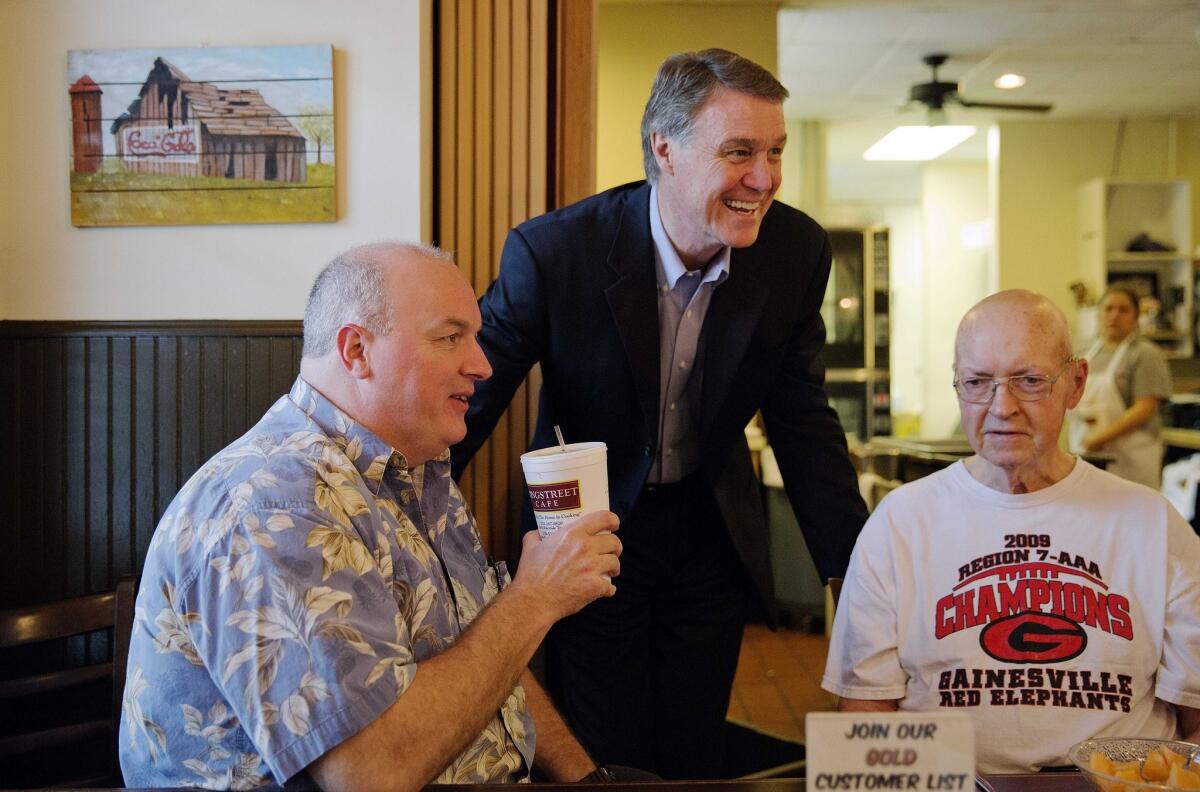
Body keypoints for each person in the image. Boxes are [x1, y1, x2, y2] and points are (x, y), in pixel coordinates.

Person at [451, 48, 868, 779]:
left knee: (691, 748)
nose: (764, 179)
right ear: (665, 149)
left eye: (775, 153)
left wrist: (859, 575)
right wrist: (388, 508)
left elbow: (802, 418)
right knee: (600, 747)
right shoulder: (555, 253)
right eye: (739, 152)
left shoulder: (794, 251)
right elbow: (470, 392)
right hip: (590, 530)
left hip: (709, 530)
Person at [119, 243, 626, 790]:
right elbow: (369, 775)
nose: (482, 365)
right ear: (357, 350)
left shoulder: (419, 470)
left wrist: (588, 779)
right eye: (450, 337)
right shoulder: (273, 504)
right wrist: (536, 597)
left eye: (476, 337)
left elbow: (487, 657)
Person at [823, 290, 1200, 773]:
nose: (1002, 407)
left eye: (1029, 380)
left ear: (1075, 383)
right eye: (978, 381)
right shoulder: (900, 522)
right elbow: (866, 725)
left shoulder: (1151, 523)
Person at [1068, 286, 1172, 488]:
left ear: (1135, 317)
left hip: (1132, 458)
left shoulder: (1145, 354)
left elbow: (1145, 407)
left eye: (1123, 310)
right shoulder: (1084, 352)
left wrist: (1101, 437)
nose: (1114, 315)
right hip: (1085, 450)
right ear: (1098, 314)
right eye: (1108, 309)